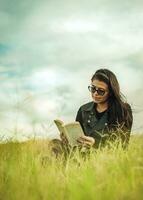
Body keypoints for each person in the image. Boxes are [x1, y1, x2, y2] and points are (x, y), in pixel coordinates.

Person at [76, 68, 133, 149]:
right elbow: (77, 139)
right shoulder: (83, 109)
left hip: (107, 158)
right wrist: (68, 139)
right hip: (82, 155)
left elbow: (122, 144)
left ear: (111, 92)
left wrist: (95, 144)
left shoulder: (123, 110)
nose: (95, 94)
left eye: (101, 91)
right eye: (93, 89)